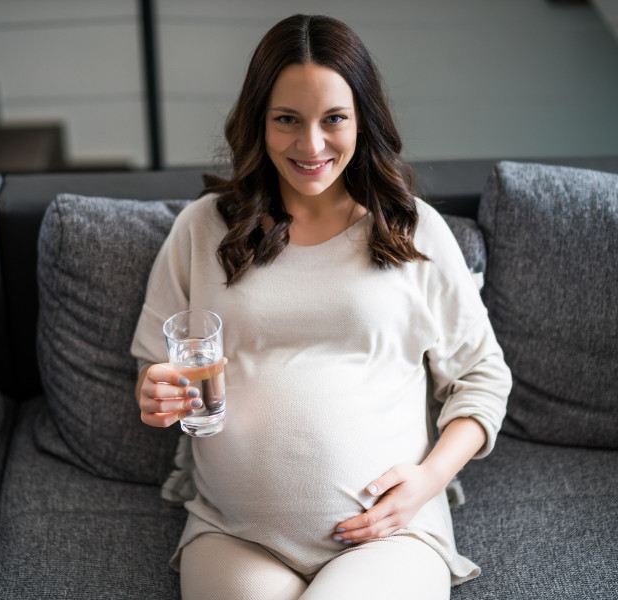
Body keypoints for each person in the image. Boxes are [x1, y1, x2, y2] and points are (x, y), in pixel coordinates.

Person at [131, 13, 511, 600]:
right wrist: (153, 392)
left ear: (363, 120)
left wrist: (425, 482)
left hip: (389, 534)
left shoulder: (414, 232)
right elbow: (157, 365)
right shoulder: (204, 229)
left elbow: (484, 376)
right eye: (287, 120)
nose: (310, 146)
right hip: (235, 535)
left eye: (333, 119)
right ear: (259, 122)